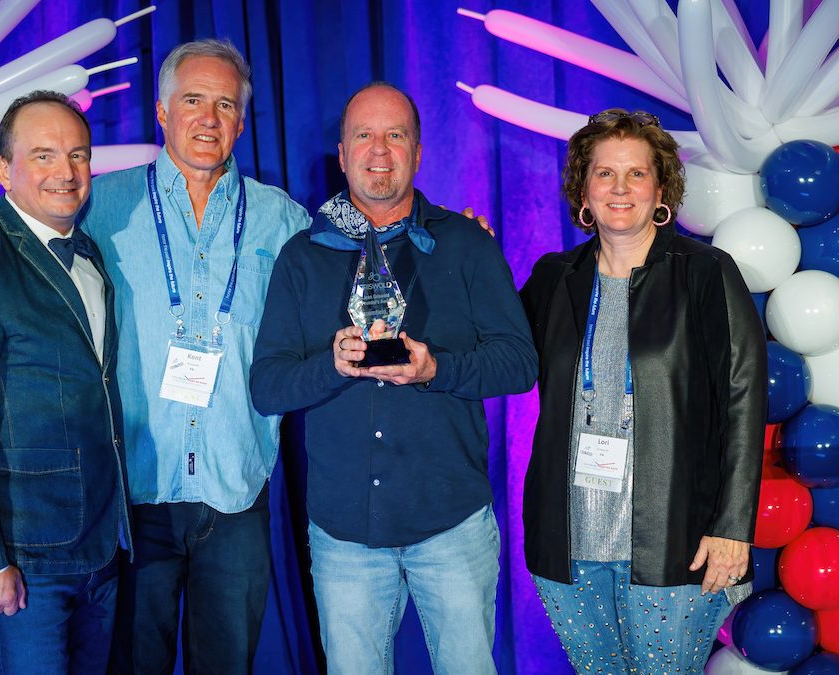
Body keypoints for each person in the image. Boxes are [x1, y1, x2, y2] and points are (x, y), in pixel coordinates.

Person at [249, 82, 538, 674]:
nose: (379, 150)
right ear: (341, 152)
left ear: (419, 151)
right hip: (344, 535)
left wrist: (437, 369)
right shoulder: (303, 256)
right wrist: (330, 367)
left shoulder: (465, 243)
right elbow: (268, 386)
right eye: (364, 135)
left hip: (451, 526)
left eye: (396, 135)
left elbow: (520, 363)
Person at [78, 40, 311, 674]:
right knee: (131, 663)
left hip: (235, 486)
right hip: (138, 491)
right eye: (194, 100)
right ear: (162, 110)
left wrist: (441, 232)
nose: (209, 118)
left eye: (226, 105)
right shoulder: (102, 206)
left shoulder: (281, 218)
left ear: (241, 121)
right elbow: (27, 242)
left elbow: (357, 273)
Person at [519, 109, 766, 673]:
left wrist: (733, 526)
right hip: (569, 538)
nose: (620, 188)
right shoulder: (554, 277)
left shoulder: (705, 272)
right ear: (583, 188)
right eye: (605, 173)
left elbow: (745, 398)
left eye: (636, 173)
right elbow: (500, 355)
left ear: (661, 187)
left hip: (676, 538)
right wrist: (472, 263)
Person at [0, 91, 131, 673]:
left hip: (99, 549)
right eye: (43, 155)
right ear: (4, 170)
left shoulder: (89, 257)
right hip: (23, 561)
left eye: (78, 155)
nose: (65, 172)